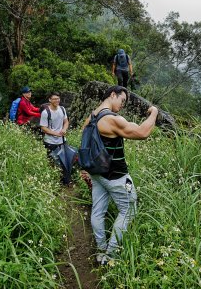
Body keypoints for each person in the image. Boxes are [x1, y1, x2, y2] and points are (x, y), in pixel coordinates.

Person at [81, 85, 158, 265]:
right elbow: (142, 132)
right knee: (128, 211)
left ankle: (100, 251)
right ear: (112, 95)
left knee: (98, 211)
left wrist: (85, 168)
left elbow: (85, 143)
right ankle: (111, 255)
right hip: (115, 175)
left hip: (97, 172)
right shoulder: (111, 118)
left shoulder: (92, 116)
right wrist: (153, 112)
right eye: (122, 100)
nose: (122, 105)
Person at [40, 92, 71, 183]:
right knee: (53, 162)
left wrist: (64, 129)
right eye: (54, 99)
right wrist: (55, 134)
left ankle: (64, 180)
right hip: (50, 141)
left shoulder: (62, 109)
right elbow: (43, 128)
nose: (57, 100)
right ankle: (53, 181)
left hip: (62, 140)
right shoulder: (46, 113)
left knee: (64, 161)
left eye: (58, 98)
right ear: (50, 100)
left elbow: (66, 121)